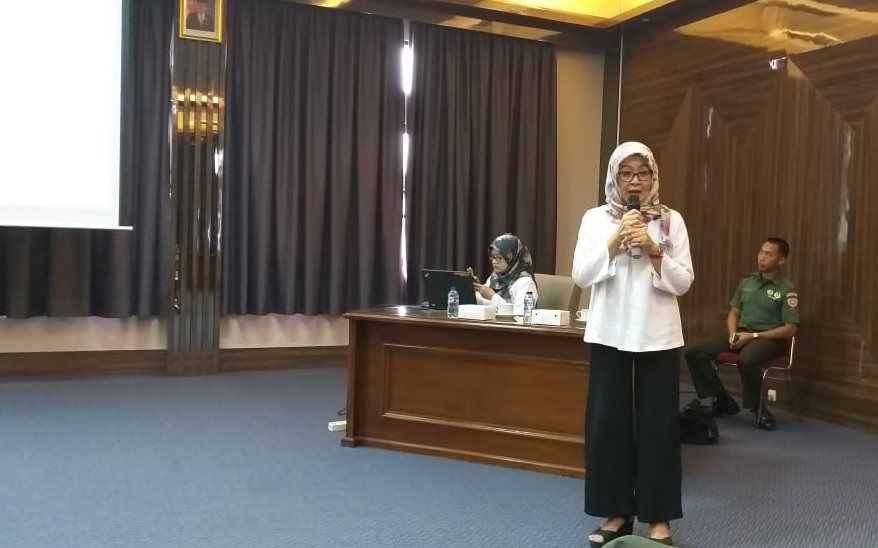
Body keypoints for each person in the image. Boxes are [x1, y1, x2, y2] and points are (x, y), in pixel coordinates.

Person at [572, 141, 694, 547]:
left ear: (653, 176)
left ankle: (658, 518)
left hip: (658, 334)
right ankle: (616, 513)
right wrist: (615, 240)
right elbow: (581, 275)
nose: (635, 180)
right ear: (615, 177)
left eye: (642, 172)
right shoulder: (595, 219)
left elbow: (683, 282)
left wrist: (655, 249)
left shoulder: (671, 220)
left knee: (659, 426)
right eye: (626, 173)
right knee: (608, 424)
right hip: (609, 332)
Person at [684, 238, 798, 431]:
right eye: (761, 252)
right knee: (694, 351)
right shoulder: (747, 281)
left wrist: (753, 337)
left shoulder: (787, 289)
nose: (761, 257)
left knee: (747, 359)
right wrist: (733, 334)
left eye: (768, 254)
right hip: (741, 334)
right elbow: (734, 313)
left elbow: (790, 328)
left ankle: (758, 408)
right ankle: (722, 400)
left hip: (767, 340)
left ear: (781, 260)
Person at [468, 233, 538, 307]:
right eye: (493, 257)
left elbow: (522, 311)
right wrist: (475, 290)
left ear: (512, 258)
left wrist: (493, 297)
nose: (494, 261)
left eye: (499, 257)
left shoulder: (525, 282)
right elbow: (484, 304)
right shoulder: (494, 278)